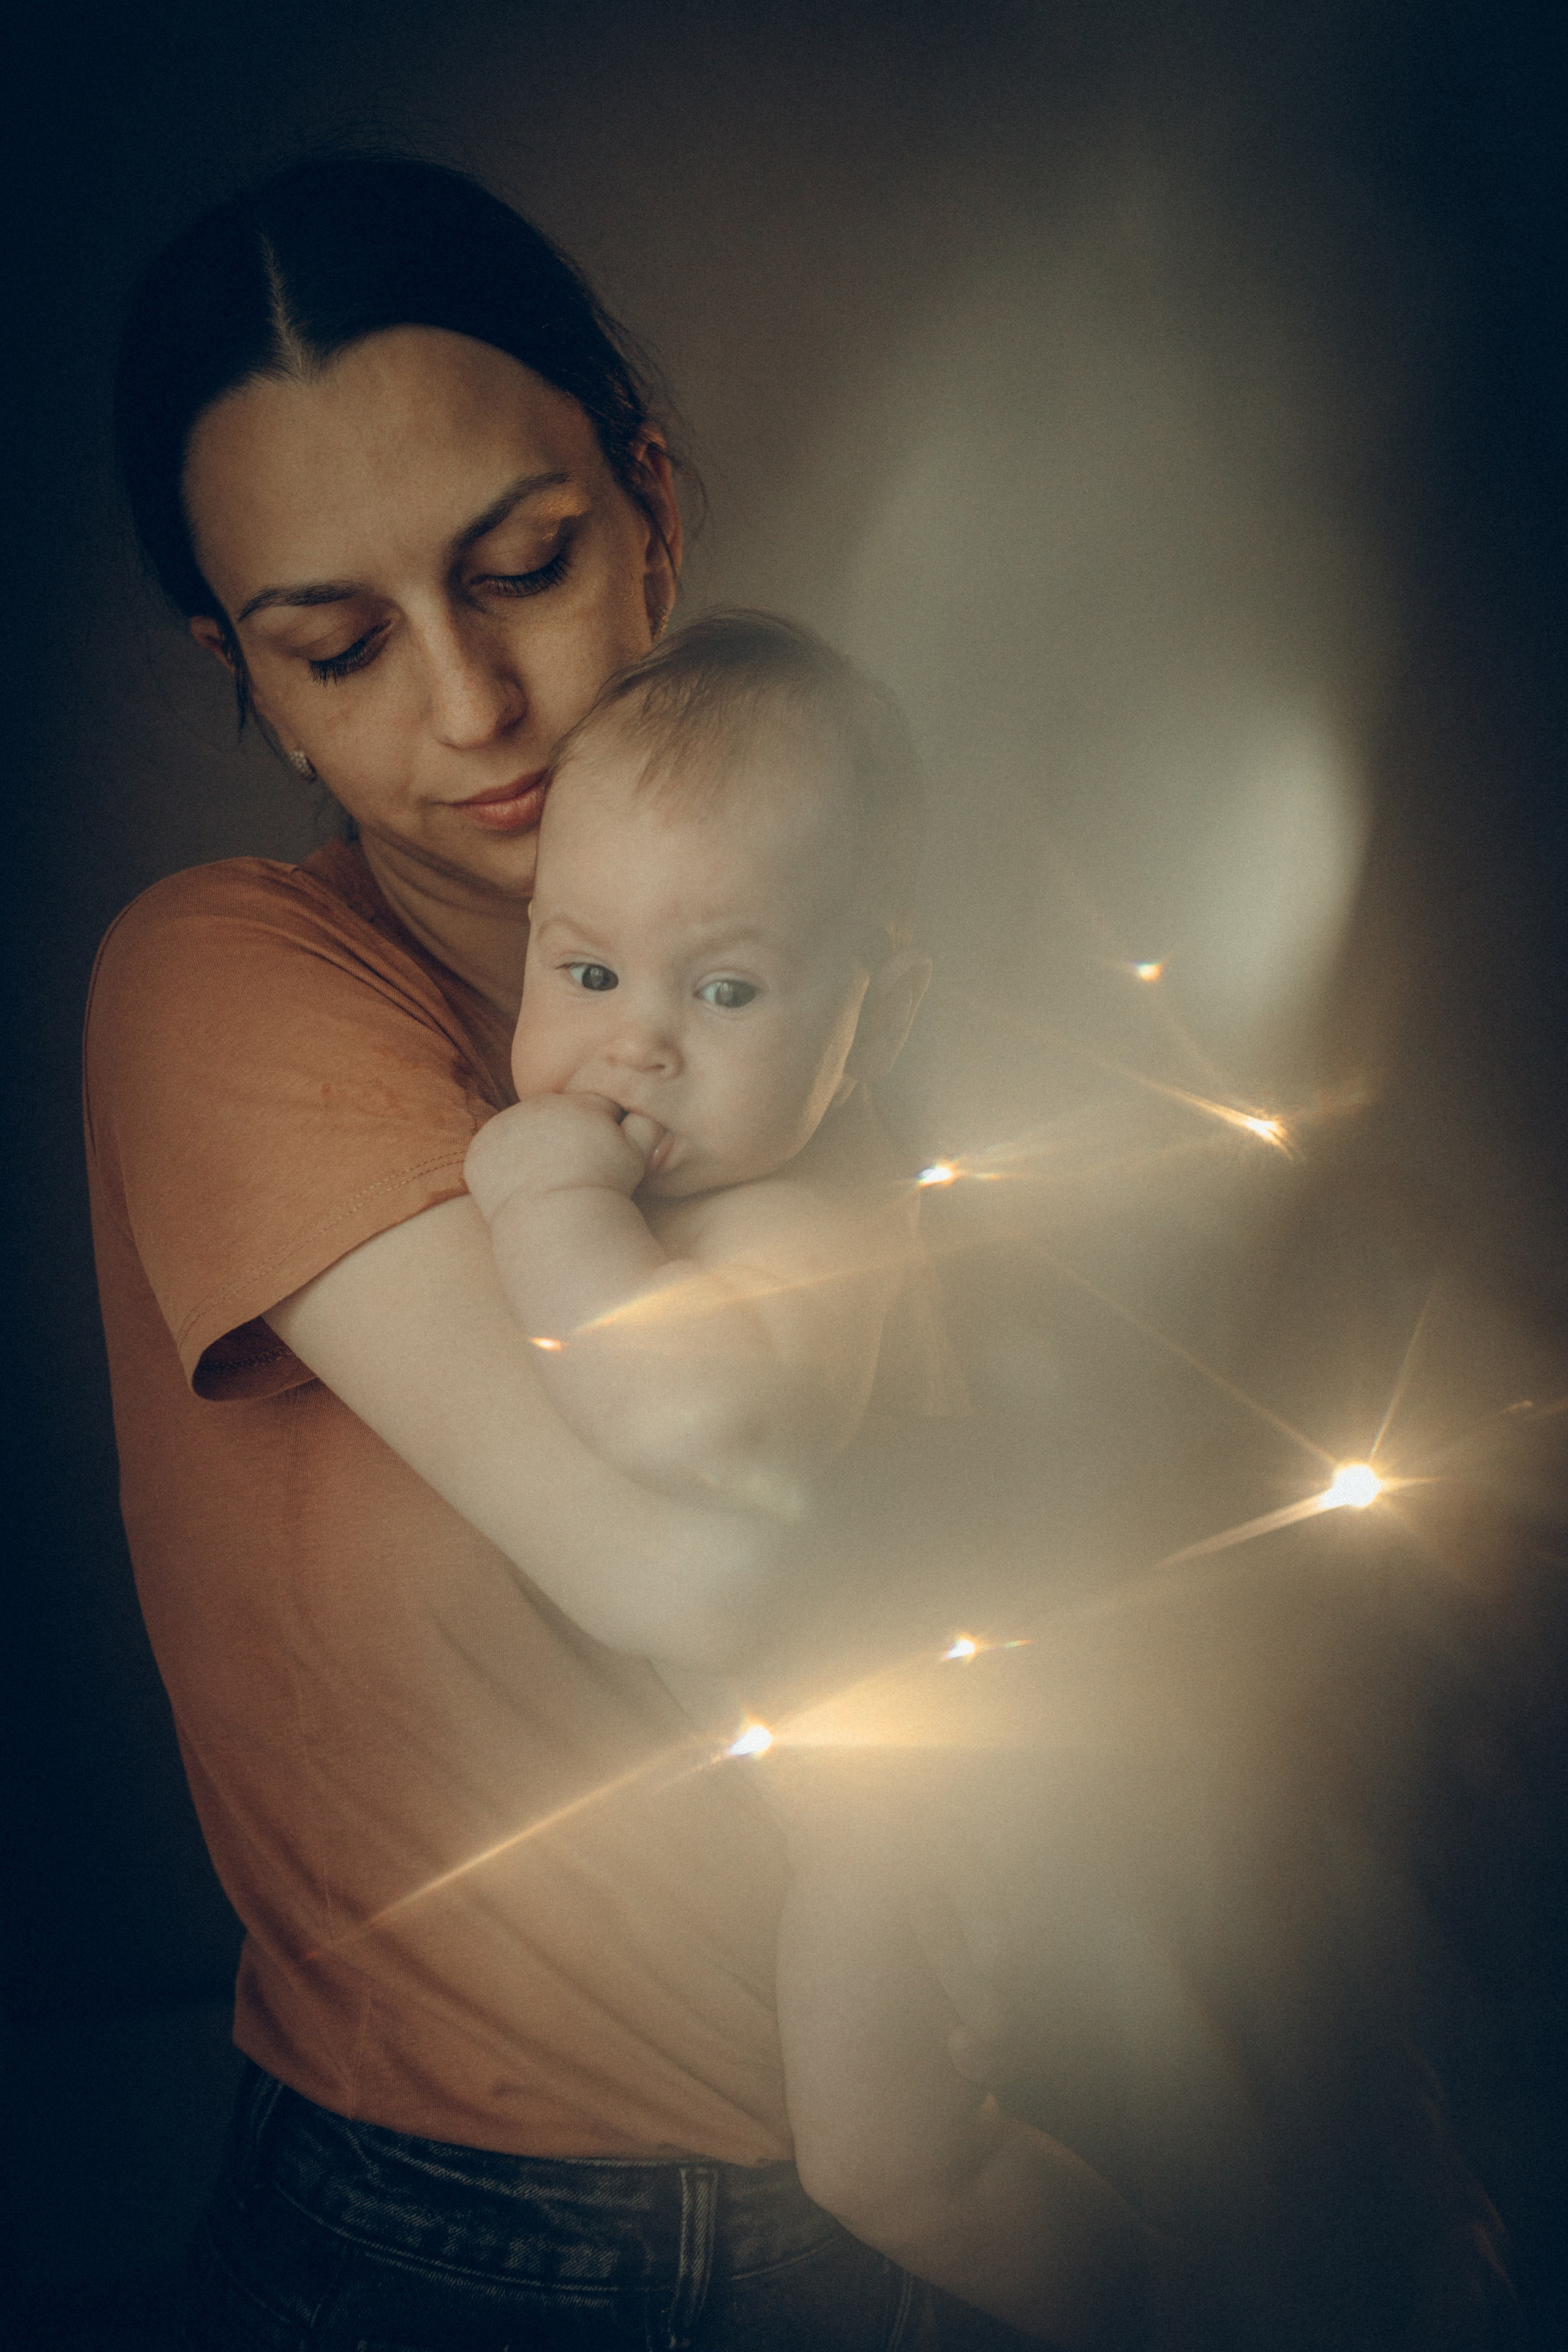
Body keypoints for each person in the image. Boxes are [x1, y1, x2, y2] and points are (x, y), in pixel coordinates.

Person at [88, 154, 947, 2351]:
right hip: (462, 2232)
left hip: (937, 2168)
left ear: (649, 503)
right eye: (341, 643)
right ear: (249, 682)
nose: (469, 703)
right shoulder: (227, 984)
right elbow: (691, 1572)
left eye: (528, 568)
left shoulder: (851, 982)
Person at [462, 605, 1169, 2348]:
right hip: (834, 1779)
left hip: (890, 1808)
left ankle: (1165, 2305)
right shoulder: (708, 1173)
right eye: (586, 969)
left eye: (725, 990)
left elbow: (680, 1418)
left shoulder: (801, 1215)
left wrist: (535, 1199)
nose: (637, 1046)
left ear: (875, 1013)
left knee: (894, 2167)